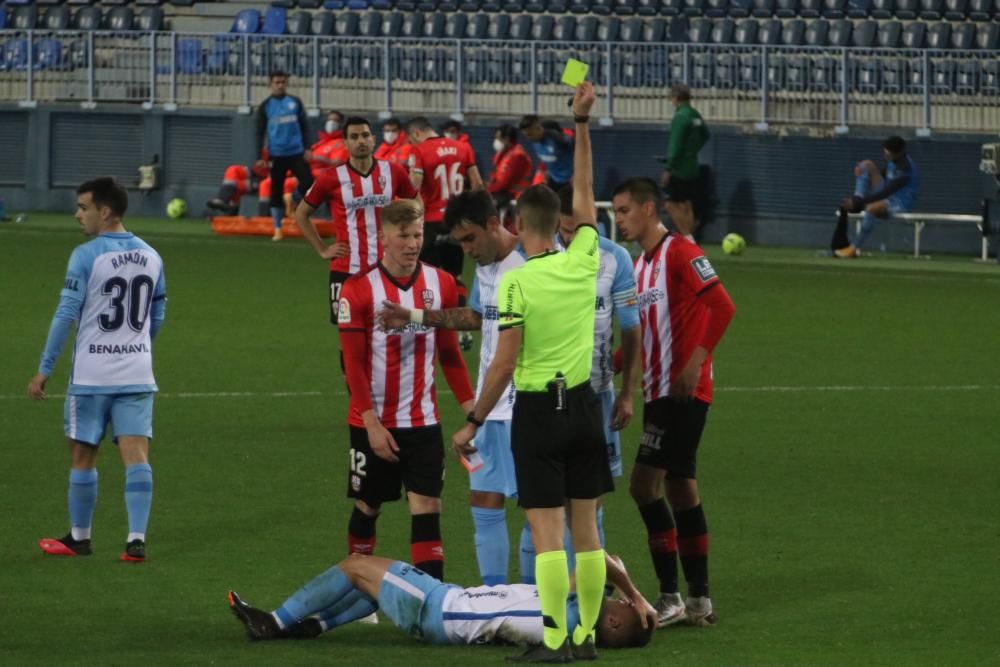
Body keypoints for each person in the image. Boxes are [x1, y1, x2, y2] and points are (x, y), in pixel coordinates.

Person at [449, 83, 610, 663]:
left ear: (520, 222)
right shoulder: (587, 258)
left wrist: (471, 419)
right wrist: (582, 124)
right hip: (587, 406)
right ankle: (587, 637)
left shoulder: (518, 280)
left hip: (540, 412)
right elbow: (587, 194)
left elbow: (505, 361)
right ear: (562, 224)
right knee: (586, 531)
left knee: (545, 532)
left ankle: (555, 639)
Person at [377, 189, 528, 588]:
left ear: (494, 224)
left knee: (538, 509)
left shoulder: (530, 265)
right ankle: (496, 597)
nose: (466, 249)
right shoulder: (487, 266)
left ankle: (535, 602)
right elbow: (477, 316)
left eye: (470, 239)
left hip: (526, 408)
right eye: (459, 241)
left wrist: (472, 418)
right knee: (484, 502)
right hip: (490, 405)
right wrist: (413, 315)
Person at [611, 176, 736, 629]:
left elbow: (723, 306)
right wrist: (613, 364)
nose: (618, 219)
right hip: (658, 392)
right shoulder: (640, 266)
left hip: (684, 392)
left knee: (644, 486)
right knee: (682, 489)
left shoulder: (681, 251)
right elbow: (642, 335)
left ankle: (669, 596)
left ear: (648, 209)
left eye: (624, 210)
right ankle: (700, 601)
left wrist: (696, 362)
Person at [336, 199, 476, 582]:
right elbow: (354, 364)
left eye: (417, 235)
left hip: (423, 421)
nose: (413, 243)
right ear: (384, 238)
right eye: (404, 236)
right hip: (373, 421)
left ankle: (431, 598)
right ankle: (358, 588)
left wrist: (472, 409)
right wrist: (371, 424)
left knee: (428, 505)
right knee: (369, 505)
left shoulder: (442, 283)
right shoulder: (358, 289)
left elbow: (449, 354)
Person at [29, 177, 167, 563]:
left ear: (105, 212)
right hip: (137, 372)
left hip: (91, 376)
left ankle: (80, 537)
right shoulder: (152, 255)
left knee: (83, 455)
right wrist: (138, 344)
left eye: (83, 207)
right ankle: (136, 540)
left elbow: (65, 314)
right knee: (137, 455)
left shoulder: (86, 255)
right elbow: (158, 312)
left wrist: (44, 367)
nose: (78, 215)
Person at [226, 551, 656, 651]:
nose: (618, 599)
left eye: (622, 608)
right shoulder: (574, 626)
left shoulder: (570, 608)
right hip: (445, 615)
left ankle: (275, 622)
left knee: (356, 566)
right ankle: (314, 625)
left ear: (615, 625)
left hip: (440, 607)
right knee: (371, 586)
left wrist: (637, 595)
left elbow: (600, 557)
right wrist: (632, 603)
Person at [552, 184, 642, 549]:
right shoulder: (539, 258)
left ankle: (595, 594)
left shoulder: (615, 257)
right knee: (548, 500)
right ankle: (538, 595)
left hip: (598, 393)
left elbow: (631, 327)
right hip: (549, 395)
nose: (572, 238)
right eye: (565, 230)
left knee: (593, 498)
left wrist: (627, 394)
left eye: (580, 230)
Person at [295, 117, 419, 326]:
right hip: (346, 269)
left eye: (364, 135)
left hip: (388, 266)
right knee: (349, 335)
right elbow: (301, 215)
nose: (361, 141)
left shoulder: (393, 172)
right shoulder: (331, 177)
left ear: (373, 139)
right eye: (354, 137)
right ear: (345, 143)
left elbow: (416, 205)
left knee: (388, 332)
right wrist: (322, 250)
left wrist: (408, 236)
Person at [406, 116, 483, 279]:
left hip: (431, 221)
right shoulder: (463, 147)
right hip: (456, 221)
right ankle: (458, 304)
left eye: (411, 140)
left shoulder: (419, 151)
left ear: (416, 133)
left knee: (426, 276)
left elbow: (413, 189)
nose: (411, 144)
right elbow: (478, 186)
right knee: (455, 275)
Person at [832, 135, 920, 258]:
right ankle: (857, 196)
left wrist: (861, 203)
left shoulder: (905, 169)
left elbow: (887, 192)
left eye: (888, 153)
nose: (885, 154)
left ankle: (853, 248)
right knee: (865, 165)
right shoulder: (893, 161)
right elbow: (883, 177)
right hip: (887, 197)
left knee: (872, 208)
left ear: (897, 153)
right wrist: (862, 177)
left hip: (899, 203)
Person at [255, 70, 315, 241]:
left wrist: (308, 147)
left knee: (308, 183)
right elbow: (259, 132)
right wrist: (259, 155)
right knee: (276, 190)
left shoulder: (294, 102)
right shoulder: (265, 106)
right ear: (270, 84)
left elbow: (304, 126)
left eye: (283, 82)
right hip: (276, 154)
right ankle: (278, 228)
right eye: (277, 82)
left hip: (296, 152)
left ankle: (293, 198)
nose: (280, 85)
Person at [660, 84, 710, 241]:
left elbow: (675, 145)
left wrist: (669, 168)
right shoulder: (695, 115)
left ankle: (687, 239)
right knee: (687, 205)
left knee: (671, 204)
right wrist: (693, 150)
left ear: (675, 98)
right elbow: (705, 134)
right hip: (692, 166)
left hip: (679, 168)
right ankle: (691, 239)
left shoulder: (680, 117)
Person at [487, 123, 533, 224]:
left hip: (514, 193)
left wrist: (487, 190)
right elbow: (495, 174)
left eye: (499, 139)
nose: (496, 142)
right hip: (504, 191)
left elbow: (505, 182)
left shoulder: (517, 155)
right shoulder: (503, 153)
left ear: (507, 139)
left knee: (484, 203)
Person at [518, 115, 574, 191]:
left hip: (570, 183)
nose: (528, 138)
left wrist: (577, 176)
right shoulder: (535, 141)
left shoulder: (558, 138)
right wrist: (546, 172)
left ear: (538, 128)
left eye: (530, 134)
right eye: (526, 135)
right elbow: (546, 158)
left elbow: (580, 153)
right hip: (553, 181)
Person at [309, 110, 348, 174]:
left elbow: (338, 163)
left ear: (341, 124)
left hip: (321, 176)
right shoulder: (320, 142)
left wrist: (316, 158)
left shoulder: (342, 143)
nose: (331, 123)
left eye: (335, 120)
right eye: (329, 120)